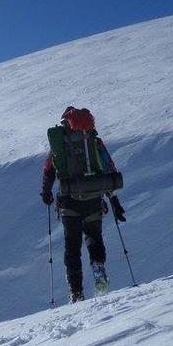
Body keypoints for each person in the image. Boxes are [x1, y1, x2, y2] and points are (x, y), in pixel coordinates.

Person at [40, 106, 126, 303]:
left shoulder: (59, 145)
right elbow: (108, 168)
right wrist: (113, 200)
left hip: (69, 202)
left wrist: (46, 193)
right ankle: (98, 269)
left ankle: (76, 292)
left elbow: (48, 170)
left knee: (72, 247)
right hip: (94, 200)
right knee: (94, 237)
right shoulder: (94, 142)